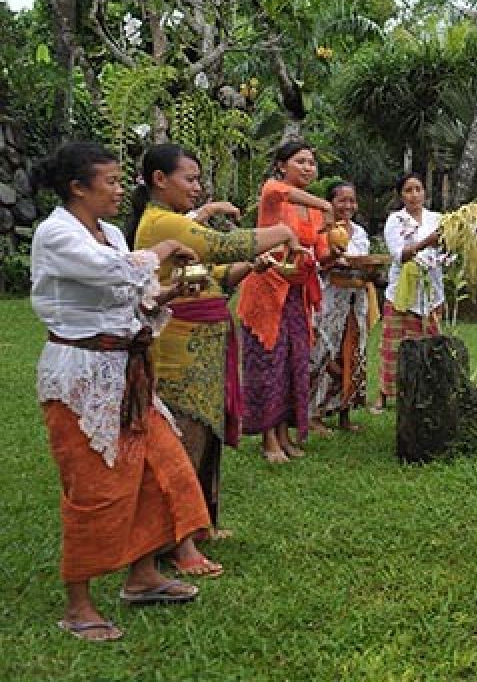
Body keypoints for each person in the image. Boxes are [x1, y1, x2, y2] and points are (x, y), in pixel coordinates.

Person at [30, 142, 211, 642]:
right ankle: (78, 603)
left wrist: (169, 293)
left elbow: (131, 293)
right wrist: (164, 250)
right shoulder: (56, 234)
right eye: (109, 181)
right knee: (93, 488)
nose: (118, 190)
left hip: (126, 372)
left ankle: (143, 574)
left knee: (162, 467)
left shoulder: (109, 232)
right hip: (80, 376)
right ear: (78, 188)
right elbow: (111, 271)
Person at [127, 143, 301, 575]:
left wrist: (253, 268)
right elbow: (224, 245)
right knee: (183, 438)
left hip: (205, 343)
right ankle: (175, 540)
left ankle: (199, 523)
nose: (197, 187)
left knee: (205, 436)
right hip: (179, 348)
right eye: (189, 178)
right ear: (159, 180)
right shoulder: (161, 222)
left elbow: (211, 275)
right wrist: (280, 233)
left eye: (198, 178)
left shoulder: (173, 223)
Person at [236, 139, 334, 462]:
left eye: (311, 163)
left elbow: (319, 254)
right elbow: (281, 192)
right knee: (269, 362)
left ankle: (284, 434)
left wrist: (336, 248)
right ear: (282, 165)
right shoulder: (273, 193)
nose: (308, 167)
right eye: (301, 161)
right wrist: (326, 205)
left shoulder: (313, 211)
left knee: (294, 362)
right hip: (267, 288)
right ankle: (268, 440)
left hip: (297, 294)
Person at [309, 180, 378, 433]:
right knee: (323, 352)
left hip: (356, 298)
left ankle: (344, 413)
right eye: (342, 200)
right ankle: (313, 413)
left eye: (352, 200)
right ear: (331, 203)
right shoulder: (321, 231)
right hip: (330, 297)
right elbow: (315, 263)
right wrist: (334, 259)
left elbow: (363, 261)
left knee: (353, 353)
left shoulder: (359, 232)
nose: (348, 205)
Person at [375, 173, 442, 411]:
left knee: (430, 344)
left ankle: (425, 392)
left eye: (418, 189)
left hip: (431, 293)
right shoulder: (395, 220)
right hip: (401, 294)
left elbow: (447, 252)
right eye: (408, 190)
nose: (414, 195)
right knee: (394, 346)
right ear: (401, 195)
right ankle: (384, 394)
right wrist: (427, 243)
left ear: (425, 192)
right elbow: (400, 255)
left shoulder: (437, 219)